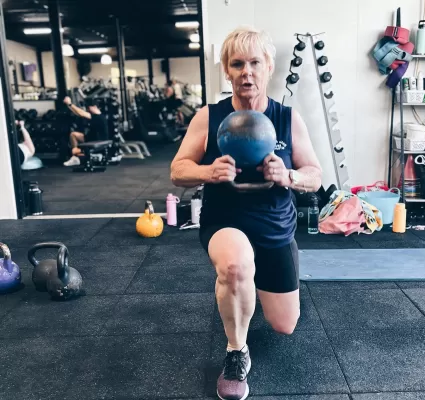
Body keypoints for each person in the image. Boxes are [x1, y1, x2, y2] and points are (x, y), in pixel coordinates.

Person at [170, 27, 322, 400]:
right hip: (227, 220)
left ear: (268, 66)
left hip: (274, 226)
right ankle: (236, 349)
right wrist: (208, 171)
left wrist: (287, 175)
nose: (246, 72)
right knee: (236, 266)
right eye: (237, 64)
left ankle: (245, 288)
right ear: (227, 70)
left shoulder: (288, 119)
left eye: (254, 63)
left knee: (284, 325)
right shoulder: (209, 117)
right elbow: (178, 169)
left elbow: (315, 176)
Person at [62, 96, 109, 167]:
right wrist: (69, 105)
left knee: (74, 151)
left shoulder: (99, 116)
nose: (87, 110)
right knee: (73, 134)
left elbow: (81, 113)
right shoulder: (96, 115)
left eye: (88, 108)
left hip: (98, 140)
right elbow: (78, 113)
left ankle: (79, 157)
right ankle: (76, 157)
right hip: (91, 138)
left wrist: (69, 103)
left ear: (94, 107)